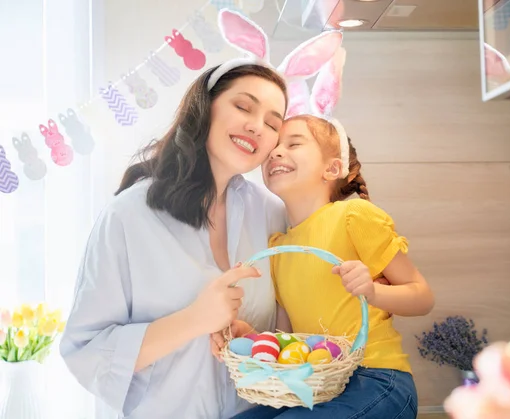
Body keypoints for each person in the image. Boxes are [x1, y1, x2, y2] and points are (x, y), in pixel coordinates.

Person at [59, 9, 344, 418]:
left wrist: (252, 341)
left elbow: (285, 329)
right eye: (243, 107)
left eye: (272, 122)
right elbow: (86, 352)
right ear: (205, 108)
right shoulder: (128, 216)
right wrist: (195, 319)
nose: (256, 127)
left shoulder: (271, 213)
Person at [222, 48, 435, 419]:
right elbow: (291, 339)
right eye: (274, 147)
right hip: (315, 383)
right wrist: (251, 338)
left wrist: (373, 290)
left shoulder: (354, 215)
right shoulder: (278, 247)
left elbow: (422, 297)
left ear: (332, 167)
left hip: (378, 380)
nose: (275, 153)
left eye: (294, 144)